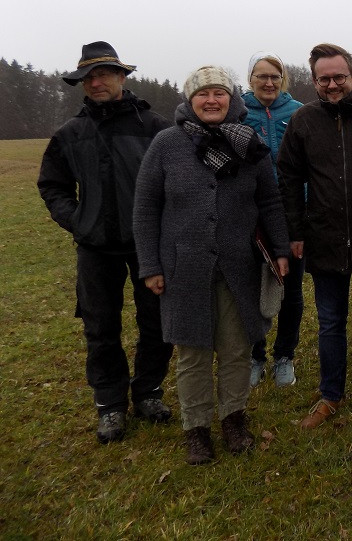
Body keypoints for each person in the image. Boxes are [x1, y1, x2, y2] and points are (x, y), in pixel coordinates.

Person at [133, 66, 290, 465]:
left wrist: (282, 249)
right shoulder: (166, 144)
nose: (211, 100)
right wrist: (151, 264)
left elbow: (269, 201)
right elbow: (146, 207)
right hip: (183, 268)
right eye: (202, 95)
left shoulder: (248, 143)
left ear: (231, 98)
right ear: (190, 101)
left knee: (238, 349)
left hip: (239, 265)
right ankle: (197, 428)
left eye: (219, 92)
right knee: (193, 354)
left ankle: (233, 418)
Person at [38, 41, 174, 444]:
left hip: (148, 246)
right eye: (88, 77)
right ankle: (110, 405)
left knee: (156, 323)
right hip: (95, 248)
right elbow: (52, 185)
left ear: (122, 77)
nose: (96, 83)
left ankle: (148, 392)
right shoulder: (70, 133)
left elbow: (176, 181)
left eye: (104, 74)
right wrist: (77, 219)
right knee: (101, 328)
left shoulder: (154, 127)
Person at [277, 44, 352, 431]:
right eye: (324, 79)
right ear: (314, 81)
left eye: (339, 77)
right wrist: (295, 231)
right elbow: (290, 179)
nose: (332, 85)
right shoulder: (303, 120)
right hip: (324, 235)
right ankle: (331, 395)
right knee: (330, 322)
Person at [242, 51, 305, 388]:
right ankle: (255, 356)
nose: (268, 82)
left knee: (292, 290)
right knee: (252, 289)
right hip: (249, 216)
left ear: (284, 81)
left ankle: (285, 356)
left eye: (275, 76)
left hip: (293, 213)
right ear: (250, 79)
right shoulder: (236, 113)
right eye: (261, 76)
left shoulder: (298, 113)